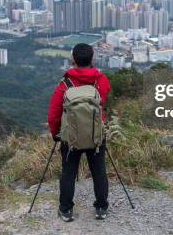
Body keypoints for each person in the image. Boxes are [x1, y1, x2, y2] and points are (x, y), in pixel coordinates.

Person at [47, 43, 110, 222]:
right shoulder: (101, 81)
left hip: (71, 137)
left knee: (68, 172)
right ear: (92, 58)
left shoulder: (65, 84)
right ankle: (101, 208)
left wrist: (55, 133)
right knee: (99, 171)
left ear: (73, 59)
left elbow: (53, 114)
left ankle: (66, 209)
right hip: (95, 134)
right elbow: (101, 102)